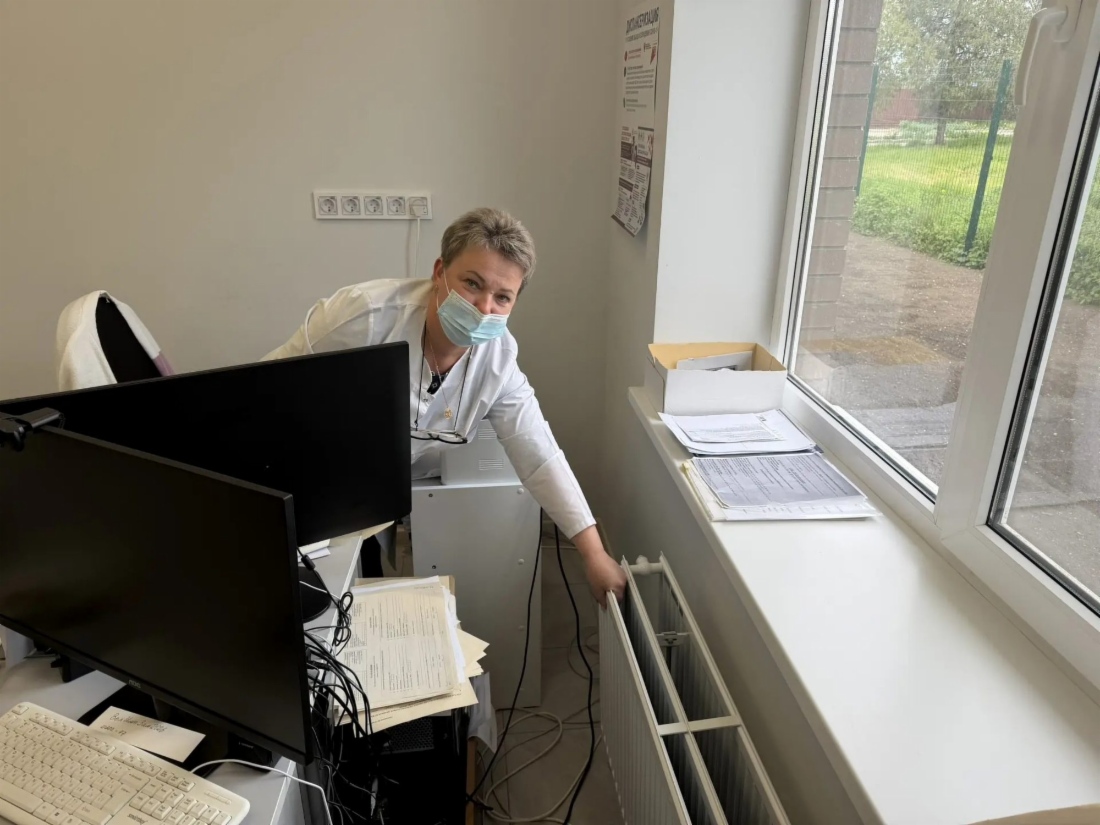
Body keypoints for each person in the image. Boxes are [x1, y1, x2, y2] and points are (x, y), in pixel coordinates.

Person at [265, 207, 627, 606]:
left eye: (502, 297)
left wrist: (594, 553)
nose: (484, 308)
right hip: (305, 471)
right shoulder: (365, 317)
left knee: (354, 590)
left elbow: (539, 455)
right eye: (472, 283)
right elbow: (268, 388)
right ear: (440, 272)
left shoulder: (498, 362)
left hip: (373, 490)